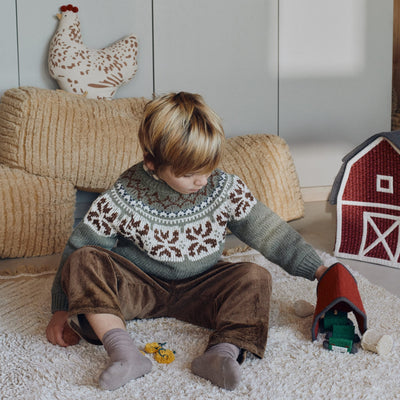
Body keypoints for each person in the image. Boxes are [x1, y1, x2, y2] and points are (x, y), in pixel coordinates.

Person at [46, 92, 328, 391]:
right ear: (151, 162)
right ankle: (124, 354)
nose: (202, 181)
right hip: (139, 287)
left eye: (208, 167)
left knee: (254, 276)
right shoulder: (125, 193)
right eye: (191, 173)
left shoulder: (222, 187)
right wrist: (62, 308)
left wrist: (319, 271)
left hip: (203, 286)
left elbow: (269, 231)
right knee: (84, 258)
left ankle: (221, 354)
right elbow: (81, 246)